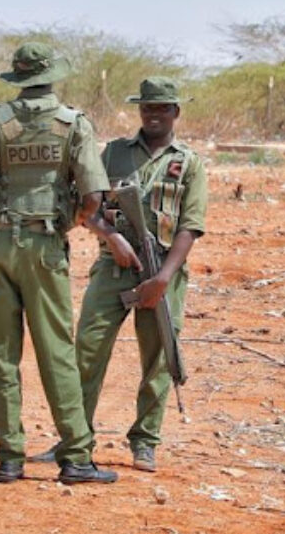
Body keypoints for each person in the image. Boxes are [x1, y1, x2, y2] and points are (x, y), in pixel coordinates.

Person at [0, 42, 129, 485]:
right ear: (52, 77)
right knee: (57, 352)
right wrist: (62, 223)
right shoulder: (74, 124)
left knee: (2, 352)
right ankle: (75, 457)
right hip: (45, 246)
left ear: (17, 78)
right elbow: (93, 199)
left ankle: (10, 458)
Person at [74, 77, 207, 473]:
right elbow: (87, 206)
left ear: (175, 112)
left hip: (162, 270)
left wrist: (163, 278)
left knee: (159, 357)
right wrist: (110, 236)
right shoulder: (114, 154)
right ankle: (75, 438)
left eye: (162, 108)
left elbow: (190, 227)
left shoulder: (190, 163)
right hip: (114, 267)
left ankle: (145, 441)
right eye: (147, 107)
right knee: (88, 349)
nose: (153, 114)